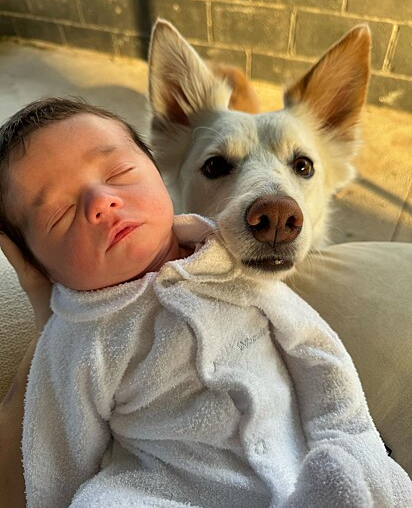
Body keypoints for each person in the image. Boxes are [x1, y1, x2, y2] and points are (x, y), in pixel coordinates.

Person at [0, 98, 410, 507]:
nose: (100, 201)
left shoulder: (226, 261)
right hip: (164, 490)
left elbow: (316, 350)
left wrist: (354, 443)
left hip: (300, 470)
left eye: (119, 172)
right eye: (59, 211)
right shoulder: (75, 338)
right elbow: (53, 456)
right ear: (39, 267)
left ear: (160, 176)